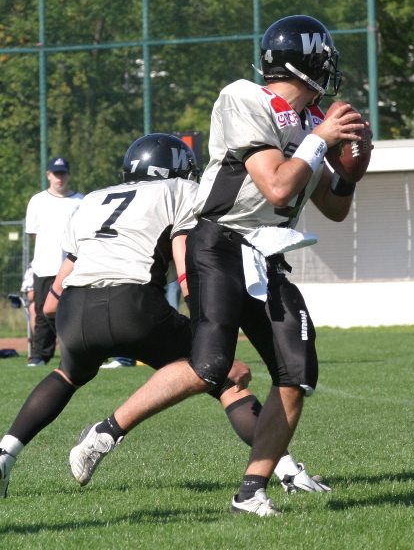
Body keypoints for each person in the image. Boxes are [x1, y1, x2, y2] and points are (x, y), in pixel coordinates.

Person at [68, 14, 366, 518]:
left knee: (297, 373)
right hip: (220, 244)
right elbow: (277, 186)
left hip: (267, 253)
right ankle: (105, 432)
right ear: (306, 61)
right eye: (325, 58)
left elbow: (333, 208)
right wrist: (321, 141)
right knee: (211, 366)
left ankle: (250, 492)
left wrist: (352, 171)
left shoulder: (310, 121)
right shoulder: (244, 98)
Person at [0, 134, 326, 499]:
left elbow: (52, 300)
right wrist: (204, 321)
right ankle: (286, 471)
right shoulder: (181, 190)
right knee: (226, 376)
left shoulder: (91, 200)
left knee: (66, 375)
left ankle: (5, 453)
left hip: (74, 308)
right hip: (133, 305)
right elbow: (185, 258)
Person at [24, 156, 83, 366]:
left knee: (75, 312)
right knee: (43, 312)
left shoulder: (81, 201)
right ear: (48, 175)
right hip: (44, 266)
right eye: (56, 174)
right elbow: (34, 234)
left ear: (69, 175)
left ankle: (79, 352)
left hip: (73, 267)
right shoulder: (37, 201)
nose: (60, 178)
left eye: (63, 173)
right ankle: (40, 355)